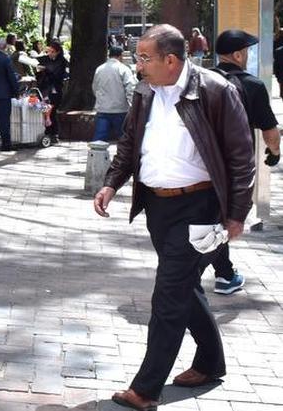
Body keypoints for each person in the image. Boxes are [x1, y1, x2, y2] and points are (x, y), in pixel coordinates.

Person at [94, 24, 254, 411]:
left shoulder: (216, 90)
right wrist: (112, 183)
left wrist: (236, 215)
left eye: (144, 58)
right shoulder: (146, 90)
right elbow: (131, 141)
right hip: (158, 207)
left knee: (168, 296)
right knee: (184, 287)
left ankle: (146, 389)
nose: (138, 64)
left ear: (171, 60)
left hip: (199, 207)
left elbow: (241, 158)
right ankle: (210, 362)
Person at [207, 29, 281, 296]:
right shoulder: (253, 85)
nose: (247, 56)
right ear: (238, 54)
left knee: (212, 216)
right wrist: (274, 153)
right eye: (246, 52)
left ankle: (223, 272)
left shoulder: (203, 80)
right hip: (233, 166)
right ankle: (223, 275)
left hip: (200, 161)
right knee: (222, 219)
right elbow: (271, 133)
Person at [92, 45, 136, 142]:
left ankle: (96, 156)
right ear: (121, 56)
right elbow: (130, 88)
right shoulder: (124, 69)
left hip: (102, 109)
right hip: (120, 109)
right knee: (123, 138)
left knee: (99, 139)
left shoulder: (99, 69)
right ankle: (123, 157)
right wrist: (132, 105)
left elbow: (95, 87)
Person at [36, 40, 67, 140]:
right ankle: (49, 131)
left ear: (58, 52)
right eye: (49, 51)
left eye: (52, 52)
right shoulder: (46, 60)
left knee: (52, 111)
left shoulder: (61, 61)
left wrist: (46, 70)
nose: (50, 53)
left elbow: (57, 75)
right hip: (45, 89)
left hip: (55, 90)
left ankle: (54, 133)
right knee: (46, 110)